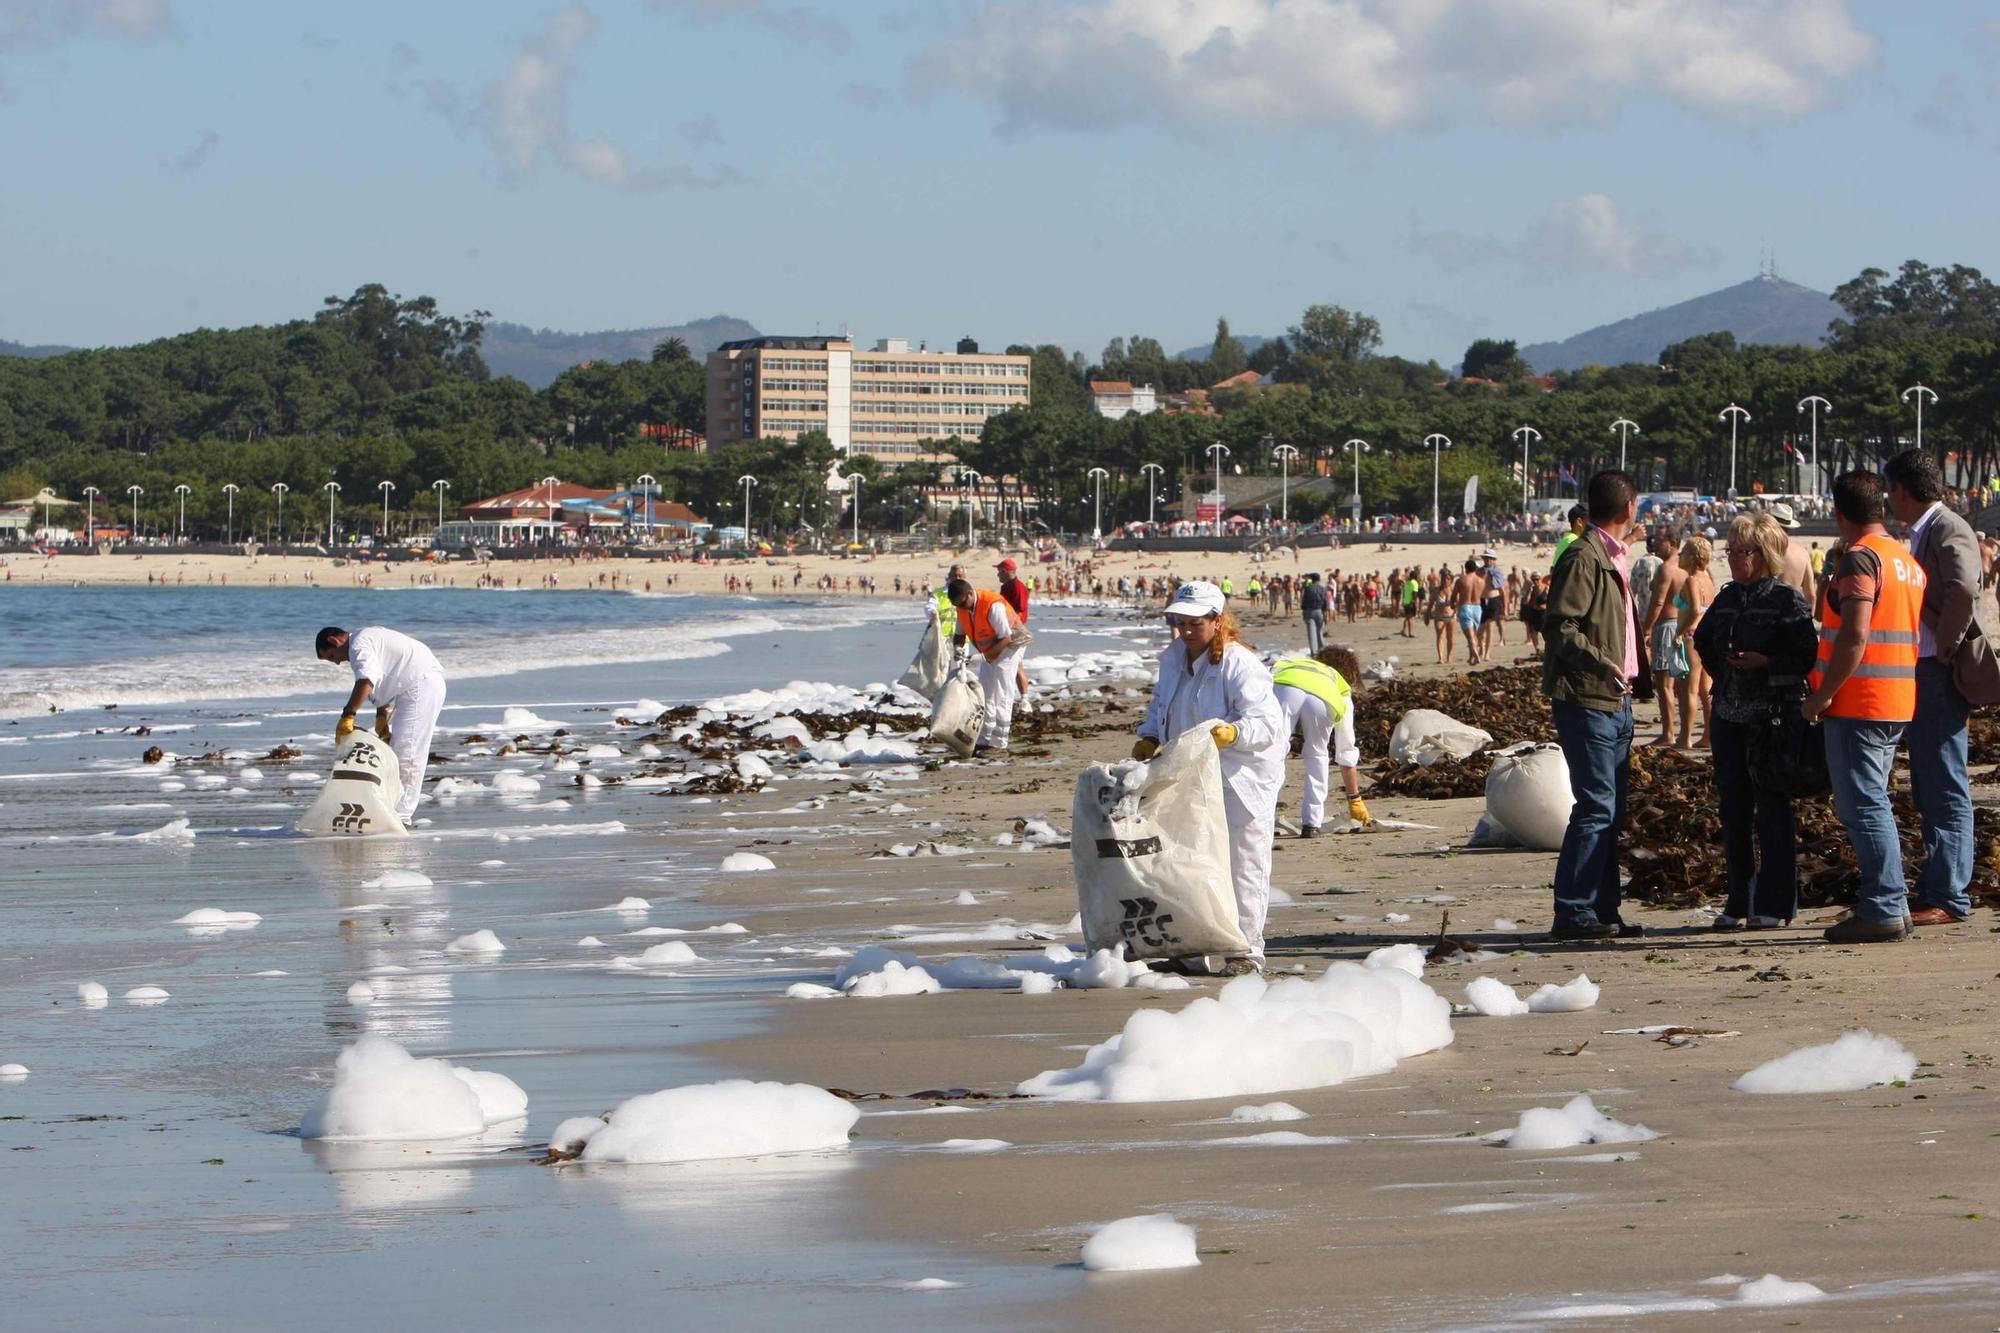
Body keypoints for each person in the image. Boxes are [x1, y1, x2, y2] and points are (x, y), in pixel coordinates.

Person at [1132, 581, 1285, 972]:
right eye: (1178, 622)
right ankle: (1190, 950)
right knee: (1186, 861)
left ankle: (1245, 951)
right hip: (1189, 776)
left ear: (1217, 621)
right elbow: (1162, 705)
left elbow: (1267, 723)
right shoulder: (1173, 659)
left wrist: (1235, 733)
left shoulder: (1238, 663)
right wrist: (1149, 735)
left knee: (1242, 864)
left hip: (1241, 778)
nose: (1184, 631)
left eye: (1193, 623)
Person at [1801, 471, 1925, 943]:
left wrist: (1822, 693)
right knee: (1874, 802)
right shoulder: (1904, 559)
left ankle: (1884, 906)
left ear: (1838, 514)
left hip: (1860, 699)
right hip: (1896, 696)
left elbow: (1855, 634)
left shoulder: (1861, 558)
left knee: (1864, 806)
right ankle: (1892, 903)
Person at [1540, 470, 1651, 941]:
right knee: (1595, 806)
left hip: (1616, 698)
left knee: (1611, 809)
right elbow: (1561, 625)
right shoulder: (1585, 556)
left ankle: (1604, 910)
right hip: (1588, 697)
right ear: (1629, 508)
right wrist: (1602, 662)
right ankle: (1574, 911)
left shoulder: (1613, 555)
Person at [1692, 515, 1817, 929]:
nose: (1730, 558)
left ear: (1762, 555)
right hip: (1728, 716)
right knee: (1734, 810)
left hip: (1773, 719)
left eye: (1738, 551)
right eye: (1728, 550)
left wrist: (1766, 663)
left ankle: (1776, 904)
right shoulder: (1728, 597)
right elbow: (1703, 638)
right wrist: (1723, 673)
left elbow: (1806, 658)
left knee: (1773, 811)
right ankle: (1738, 901)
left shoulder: (1786, 599)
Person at [1884, 449, 1979, 926]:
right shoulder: (1929, 530)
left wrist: (1945, 646)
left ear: (1903, 489)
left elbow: (1964, 588)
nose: (1888, 499)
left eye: (1890, 491)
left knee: (1943, 782)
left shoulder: (1946, 528)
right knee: (1929, 778)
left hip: (1937, 671)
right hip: (1922, 669)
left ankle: (1948, 895)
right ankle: (1939, 889)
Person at [314, 625, 446, 827]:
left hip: (421, 684)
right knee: (397, 753)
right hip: (415, 684)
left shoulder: (358, 644)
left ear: (334, 641)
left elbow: (367, 679)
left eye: (332, 657)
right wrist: (381, 714)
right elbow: (384, 676)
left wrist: (348, 715)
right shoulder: (364, 639)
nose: (338, 662)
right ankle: (394, 813)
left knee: (407, 754)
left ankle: (401, 818)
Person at [1271, 644, 1368, 838]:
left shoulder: (1293, 663)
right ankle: (1312, 824)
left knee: (1274, 751)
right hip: (1322, 698)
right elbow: (1346, 748)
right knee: (1317, 754)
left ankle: (1262, 816)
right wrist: (1354, 797)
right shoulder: (1339, 683)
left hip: (1284, 686)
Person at [947, 577, 1028, 754]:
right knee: (986, 693)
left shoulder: (992, 605)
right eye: (957, 605)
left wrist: (984, 655)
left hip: (1011, 646)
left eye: (963, 603)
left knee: (1002, 692)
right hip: (991, 649)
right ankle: (984, 739)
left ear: (970, 594)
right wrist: (958, 649)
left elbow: (1006, 637)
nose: (961, 607)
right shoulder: (961, 607)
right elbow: (959, 635)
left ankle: (999, 742)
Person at [1671, 536, 1716, 748]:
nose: (1679, 555)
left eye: (1684, 552)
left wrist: (1678, 631)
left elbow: (1695, 610)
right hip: (1707, 635)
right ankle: (1708, 735)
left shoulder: (1691, 580)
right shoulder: (1708, 580)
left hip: (1691, 635)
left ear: (1692, 557)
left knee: (1688, 689)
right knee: (1705, 689)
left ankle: (1685, 737)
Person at [1639, 530, 1683, 746]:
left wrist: (1646, 629)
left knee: (1665, 684)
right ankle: (1682, 732)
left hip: (1667, 625)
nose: (1654, 543)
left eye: (1659, 540)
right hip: (1682, 626)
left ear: (1672, 542)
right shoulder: (1687, 565)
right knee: (1682, 685)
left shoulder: (1667, 568)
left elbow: (1657, 603)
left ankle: (1668, 733)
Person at [1767, 502, 1816, 605]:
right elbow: (1811, 595)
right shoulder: (1802, 552)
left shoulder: (1763, 550)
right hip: (1792, 612)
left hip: (1765, 614)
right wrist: (1808, 619)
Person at [996, 557, 1032, 698]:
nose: (997, 574)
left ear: (1006, 571)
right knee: (1015, 665)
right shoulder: (1006, 586)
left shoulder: (1017, 586)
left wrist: (1008, 628)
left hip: (1015, 629)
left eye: (999, 571)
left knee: (1014, 665)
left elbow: (1019, 609)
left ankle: (1023, 698)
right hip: (1008, 629)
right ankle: (1018, 697)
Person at [1452, 559, 1486, 665]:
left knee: (1470, 636)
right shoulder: (1481, 581)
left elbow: (1453, 597)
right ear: (1475, 568)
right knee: (1473, 635)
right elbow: (1484, 597)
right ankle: (1471, 658)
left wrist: (1452, 605)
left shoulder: (1461, 580)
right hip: (1478, 607)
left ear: (1466, 568)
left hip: (1465, 606)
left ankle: (1475, 655)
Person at [1479, 549, 1508, 653]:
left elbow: (1502, 591)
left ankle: (1487, 653)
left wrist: (1505, 608)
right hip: (1481, 600)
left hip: (1493, 599)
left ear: (1493, 559)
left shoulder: (1497, 572)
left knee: (1490, 627)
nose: (1488, 560)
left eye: (1490, 558)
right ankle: (1481, 645)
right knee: (1480, 628)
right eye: (1486, 558)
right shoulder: (1479, 571)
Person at [1298, 573, 1328, 653]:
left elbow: (1304, 600)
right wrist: (1325, 613)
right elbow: (1325, 601)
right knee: (1319, 631)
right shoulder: (1322, 588)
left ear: (1312, 579)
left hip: (1309, 611)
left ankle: (1314, 652)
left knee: (1311, 633)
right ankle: (1321, 649)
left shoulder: (1308, 588)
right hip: (1319, 611)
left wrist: (1303, 610)